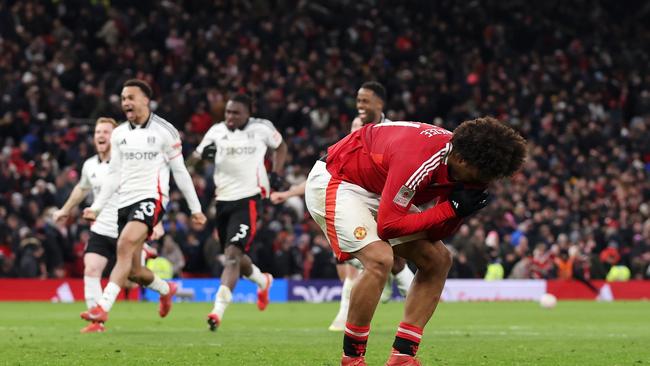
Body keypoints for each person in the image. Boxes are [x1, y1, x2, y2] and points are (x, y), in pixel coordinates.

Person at [305, 116, 526, 365]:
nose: (482, 182)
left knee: (438, 259)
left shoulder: (462, 165)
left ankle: (403, 356)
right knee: (380, 259)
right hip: (339, 179)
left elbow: (436, 233)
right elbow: (388, 227)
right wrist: (450, 209)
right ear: (462, 160)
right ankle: (353, 359)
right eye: (481, 175)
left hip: (381, 187)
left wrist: (457, 212)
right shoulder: (420, 157)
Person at [271, 82, 416, 332]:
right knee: (354, 260)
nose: (360, 107)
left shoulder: (393, 131)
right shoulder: (355, 131)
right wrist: (289, 193)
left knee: (393, 261)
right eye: (357, 101)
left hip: (382, 201)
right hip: (352, 198)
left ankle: (409, 304)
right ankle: (346, 313)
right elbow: (332, 170)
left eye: (365, 101)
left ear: (379, 104)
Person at [80, 79, 207, 327]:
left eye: (131, 97)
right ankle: (166, 289)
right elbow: (114, 174)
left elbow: (180, 171)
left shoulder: (164, 131)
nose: (126, 102)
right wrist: (97, 207)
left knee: (125, 244)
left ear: (146, 100)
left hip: (152, 198)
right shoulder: (119, 135)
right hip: (124, 203)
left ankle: (102, 309)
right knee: (135, 271)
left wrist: (195, 208)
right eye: (123, 98)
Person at [191, 93, 288, 332]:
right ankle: (261, 281)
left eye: (236, 112)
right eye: (228, 112)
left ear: (248, 113)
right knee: (235, 255)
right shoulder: (216, 131)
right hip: (223, 201)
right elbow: (194, 160)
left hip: (249, 199)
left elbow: (281, 146)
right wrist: (203, 158)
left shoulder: (262, 128)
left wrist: (276, 172)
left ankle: (217, 311)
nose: (230, 117)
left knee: (232, 256)